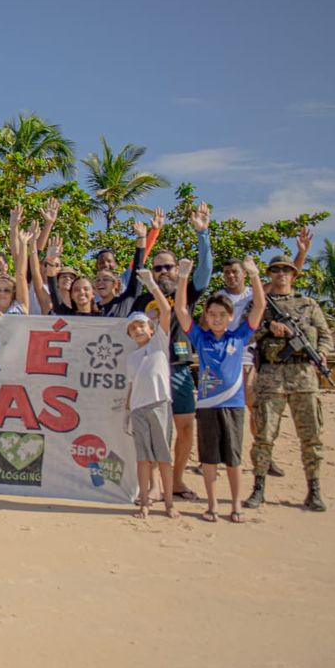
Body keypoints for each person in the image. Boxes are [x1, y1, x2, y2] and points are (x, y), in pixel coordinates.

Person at [129, 202, 214, 500]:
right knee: (156, 430)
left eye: (169, 266)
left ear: (178, 270)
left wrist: (202, 235)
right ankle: (151, 485)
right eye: (159, 267)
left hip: (178, 368)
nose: (164, 271)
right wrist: (151, 235)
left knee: (185, 427)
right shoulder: (141, 298)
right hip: (148, 371)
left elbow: (205, 271)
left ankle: (176, 481)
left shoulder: (186, 293)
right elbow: (134, 271)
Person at [175, 257, 265, 523]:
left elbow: (259, 306)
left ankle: (236, 505)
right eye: (211, 314)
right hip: (206, 407)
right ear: (206, 316)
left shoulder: (238, 336)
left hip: (234, 406)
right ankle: (212, 505)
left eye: (221, 315)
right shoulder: (199, 338)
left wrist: (255, 276)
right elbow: (181, 309)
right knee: (209, 461)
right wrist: (183, 277)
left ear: (230, 317)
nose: (216, 318)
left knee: (234, 460)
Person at [220, 229, 312, 478]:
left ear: (243, 274)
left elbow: (286, 278)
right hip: (224, 359)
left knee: (255, 408)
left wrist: (301, 253)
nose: (230, 276)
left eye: (235, 272)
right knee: (224, 408)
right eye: (227, 272)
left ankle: (265, 456)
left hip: (249, 357)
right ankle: (222, 456)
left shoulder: (255, 293)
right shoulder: (218, 298)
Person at [246, 254, 334, 512]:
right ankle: (258, 488)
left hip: (304, 376)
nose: (281, 274)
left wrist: (323, 352)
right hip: (272, 376)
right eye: (276, 270)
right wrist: (267, 327)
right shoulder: (261, 305)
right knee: (264, 435)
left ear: (294, 275)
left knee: (311, 436)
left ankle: (314, 490)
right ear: (270, 274)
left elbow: (326, 336)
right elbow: (247, 332)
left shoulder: (309, 304)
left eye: (286, 270)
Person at [125, 270, 178, 519]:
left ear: (151, 328)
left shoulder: (159, 343)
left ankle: (169, 504)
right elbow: (131, 386)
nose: (137, 330)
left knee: (164, 458)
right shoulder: (132, 357)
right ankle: (144, 502)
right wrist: (128, 411)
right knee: (143, 459)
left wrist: (151, 284)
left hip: (160, 405)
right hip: (138, 409)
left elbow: (167, 311)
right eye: (133, 328)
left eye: (141, 325)